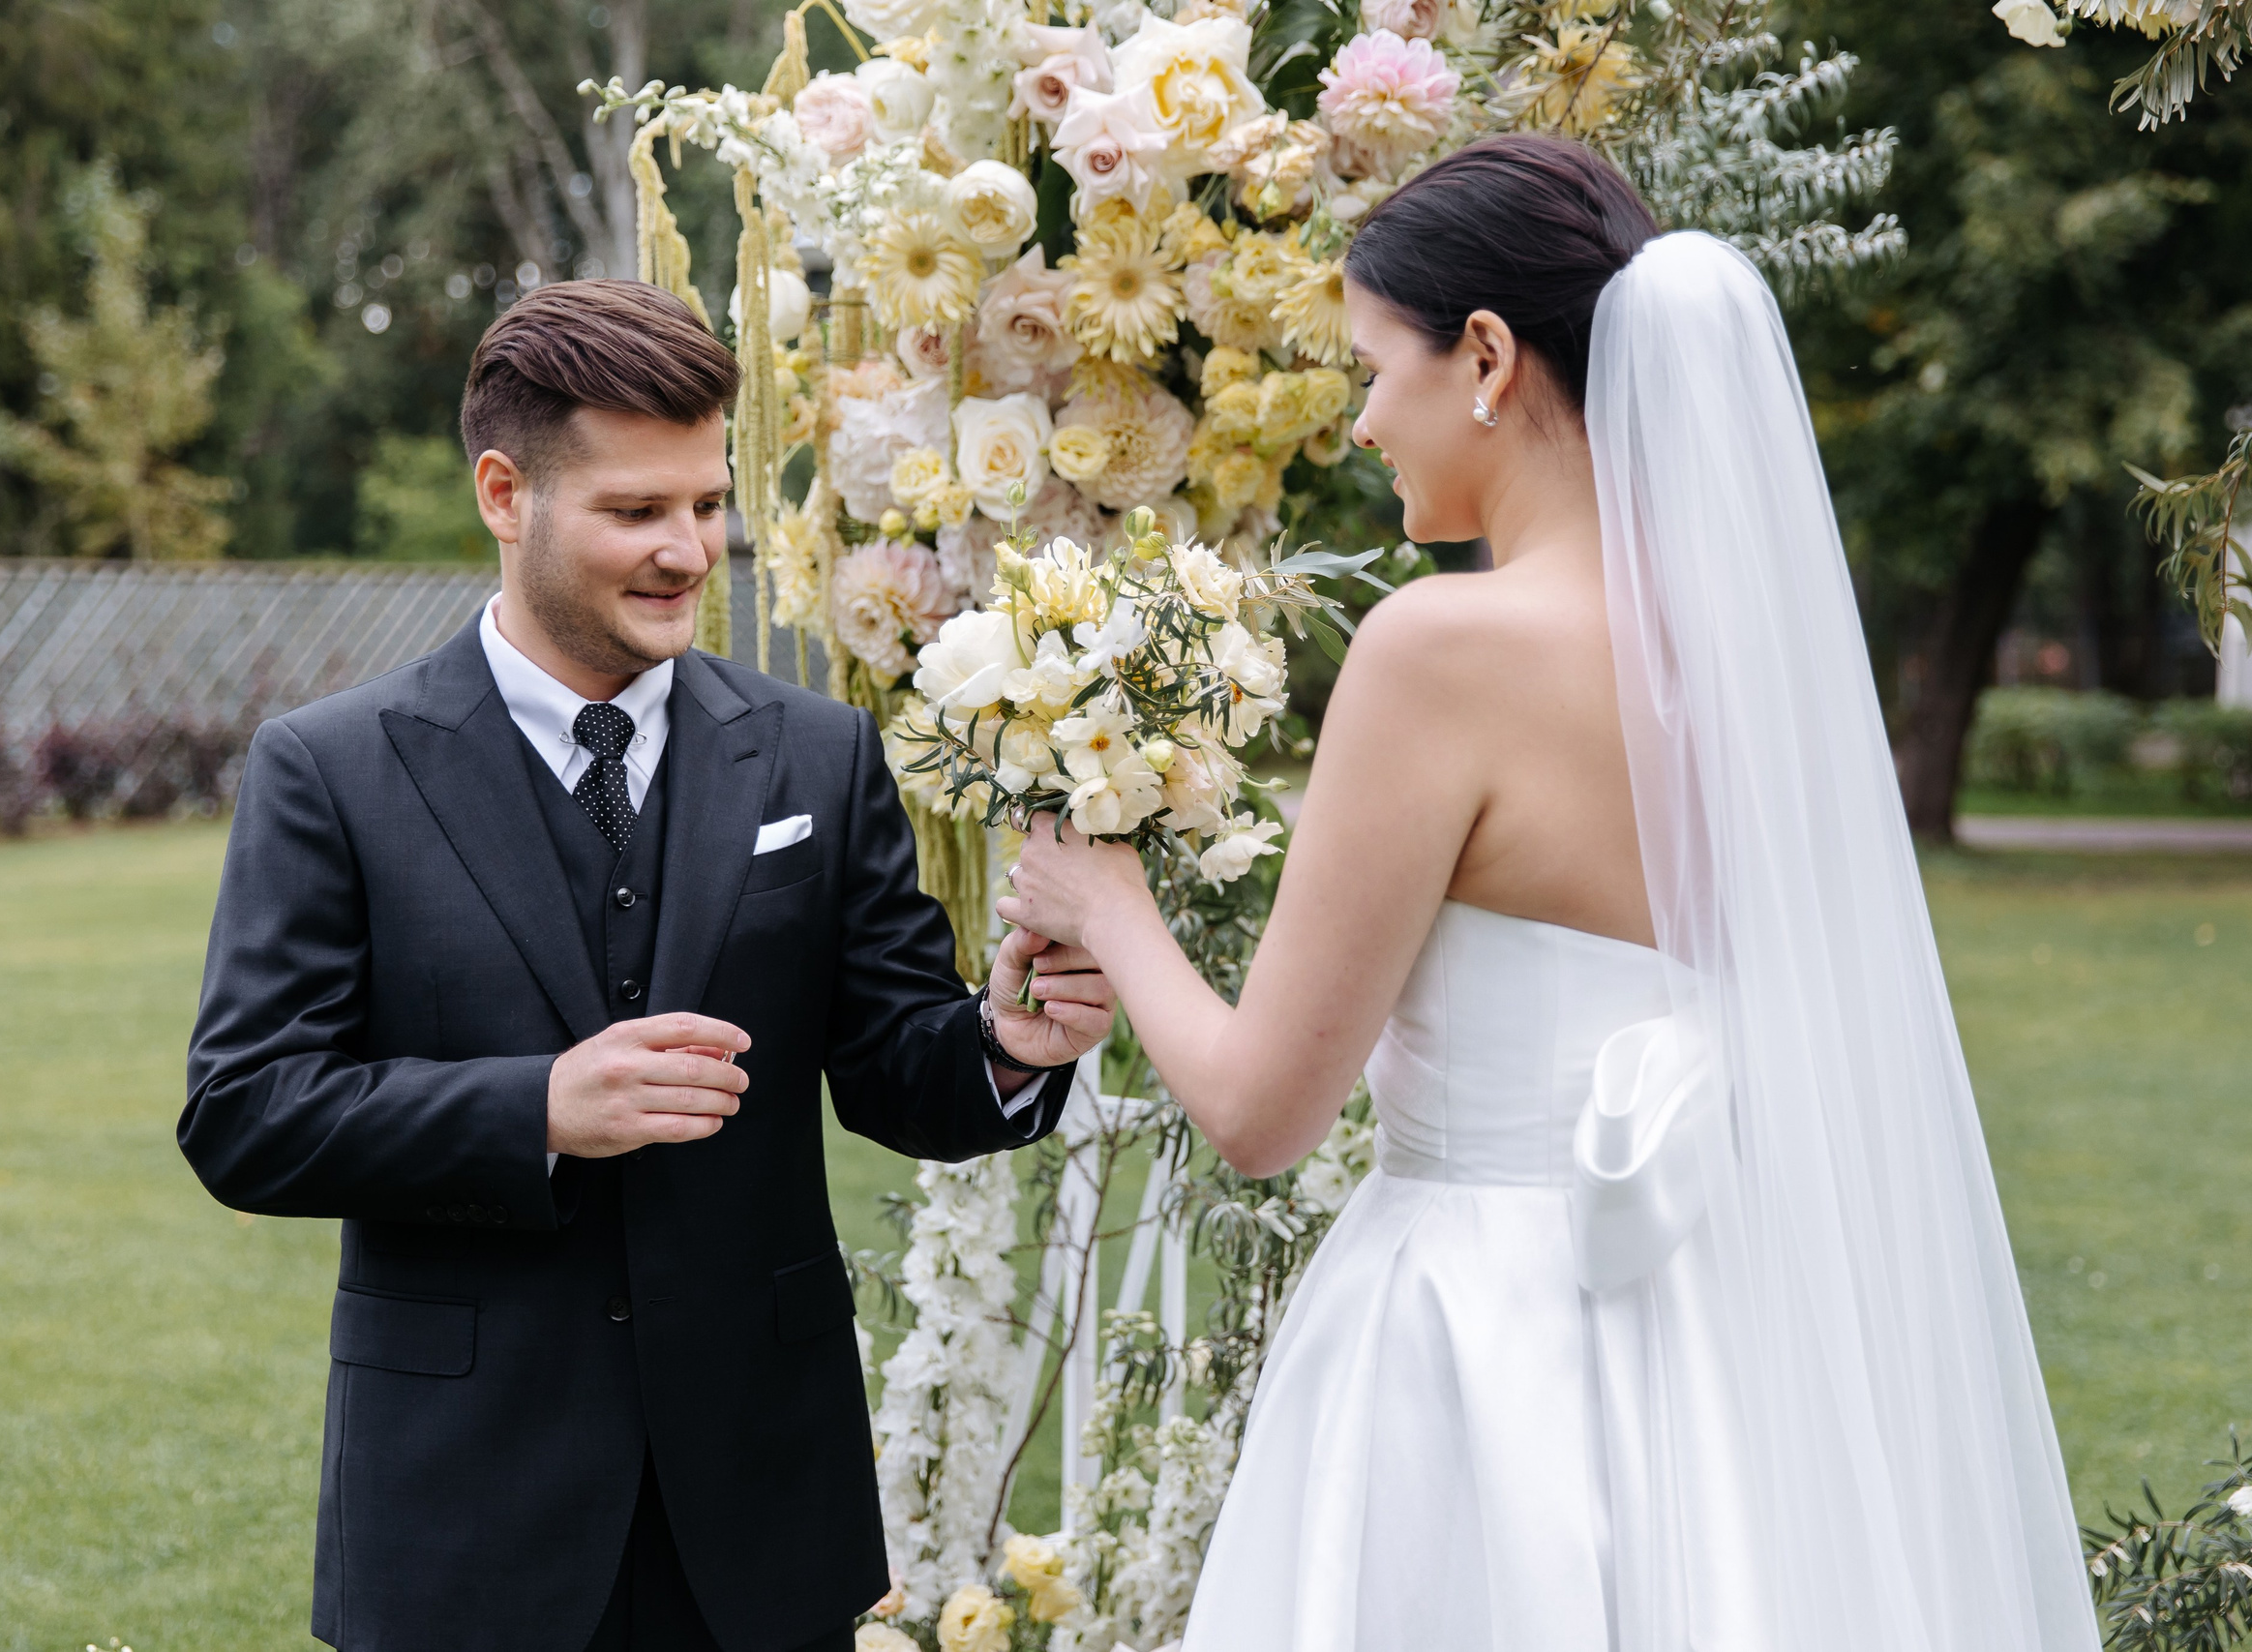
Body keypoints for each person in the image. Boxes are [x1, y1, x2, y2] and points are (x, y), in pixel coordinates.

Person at [996, 135, 2101, 1651]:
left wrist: (1102, 896)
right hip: (1730, 1321)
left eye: (1378, 367)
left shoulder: (1442, 652)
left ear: (1490, 360)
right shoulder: (1753, 653)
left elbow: (1263, 1114)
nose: (1364, 420)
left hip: (1482, 1333)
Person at [180, 279, 1112, 1652]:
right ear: (507, 495)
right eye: (636, 512)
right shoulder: (333, 769)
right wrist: (536, 1110)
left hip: (759, 1506)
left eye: (707, 503)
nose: (688, 551)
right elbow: (246, 1114)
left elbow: (896, 1062)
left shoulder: (817, 752)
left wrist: (1005, 1044)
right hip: (462, 1510)